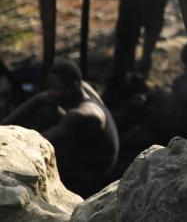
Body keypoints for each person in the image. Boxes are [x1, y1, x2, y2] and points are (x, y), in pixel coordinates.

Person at [2, 60, 119, 197]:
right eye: (50, 87)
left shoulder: (82, 114)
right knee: (46, 105)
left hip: (94, 175)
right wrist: (4, 124)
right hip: (86, 149)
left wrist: (8, 142)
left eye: (56, 89)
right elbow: (41, 98)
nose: (50, 93)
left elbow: (36, 142)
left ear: (74, 86)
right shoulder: (83, 87)